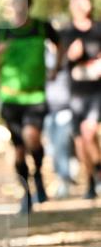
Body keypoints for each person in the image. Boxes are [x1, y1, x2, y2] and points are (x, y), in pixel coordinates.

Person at [0, 0, 61, 213]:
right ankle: (26, 193)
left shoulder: (41, 27)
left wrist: (55, 68)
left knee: (32, 138)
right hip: (10, 98)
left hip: (36, 95)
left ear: (29, 4)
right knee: (18, 150)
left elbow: (59, 45)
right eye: (15, 1)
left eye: (23, 1)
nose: (19, 5)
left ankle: (37, 171)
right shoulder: (0, 31)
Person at [59, 0, 101, 199]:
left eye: (85, 2)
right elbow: (59, 64)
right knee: (80, 141)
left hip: (96, 91)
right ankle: (91, 180)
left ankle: (98, 172)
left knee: (89, 131)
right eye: (77, 3)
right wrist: (70, 56)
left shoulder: (98, 29)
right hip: (75, 93)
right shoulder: (66, 32)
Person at [43, 42, 75, 198]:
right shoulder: (42, 56)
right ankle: (61, 177)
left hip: (65, 108)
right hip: (47, 109)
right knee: (51, 148)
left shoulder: (66, 58)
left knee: (62, 145)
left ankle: (65, 179)